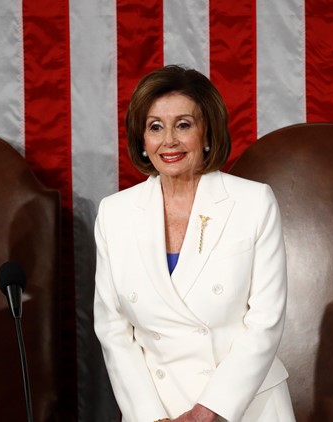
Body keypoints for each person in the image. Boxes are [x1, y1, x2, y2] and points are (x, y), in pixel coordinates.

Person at [93, 65, 295, 422]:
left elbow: (265, 320)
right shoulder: (115, 213)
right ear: (142, 140)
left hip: (244, 406)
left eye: (183, 125)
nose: (169, 140)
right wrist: (150, 416)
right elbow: (113, 330)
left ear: (207, 134)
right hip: (155, 409)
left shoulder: (253, 202)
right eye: (155, 127)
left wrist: (211, 409)